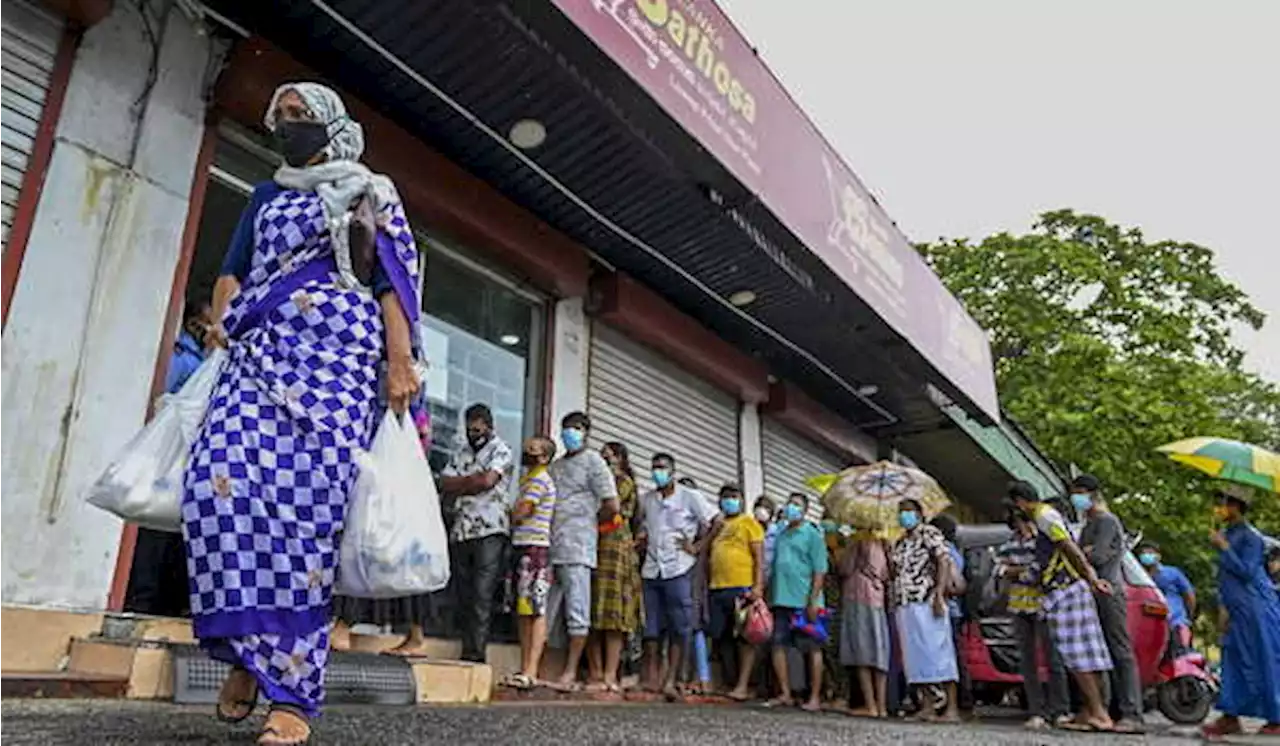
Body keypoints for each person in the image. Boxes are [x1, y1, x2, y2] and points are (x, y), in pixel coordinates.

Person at [190, 82, 422, 745]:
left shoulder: (367, 188)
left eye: (301, 116)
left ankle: (289, 694)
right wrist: (223, 318)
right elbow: (233, 270)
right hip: (257, 357)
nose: (288, 125)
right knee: (218, 490)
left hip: (335, 368)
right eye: (281, 116)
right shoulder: (266, 195)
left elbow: (391, 280)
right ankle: (243, 651)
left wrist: (399, 361)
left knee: (303, 521)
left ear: (331, 123)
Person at [126, 297, 214, 618]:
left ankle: (167, 601)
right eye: (209, 322)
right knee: (155, 528)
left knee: (178, 533)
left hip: (189, 461)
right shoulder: (181, 358)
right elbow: (161, 401)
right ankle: (142, 601)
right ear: (194, 324)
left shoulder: (205, 361)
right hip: (167, 459)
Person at [1007, 480, 1116, 733]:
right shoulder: (1046, 516)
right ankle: (1091, 710)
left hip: (1066, 590)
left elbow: (1069, 548)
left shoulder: (1044, 516)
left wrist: (1091, 578)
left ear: (1020, 502)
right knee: (1087, 653)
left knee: (1078, 655)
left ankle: (1099, 713)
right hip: (1069, 588)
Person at [430, 403, 514, 663]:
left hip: (490, 530)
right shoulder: (461, 452)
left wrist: (464, 484)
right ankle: (464, 646)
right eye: (469, 429)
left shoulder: (501, 450)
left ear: (488, 427)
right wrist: (472, 482)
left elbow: (487, 481)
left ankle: (475, 655)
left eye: (477, 428)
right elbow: (444, 482)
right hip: (462, 530)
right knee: (463, 595)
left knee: (482, 593)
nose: (472, 433)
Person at [634, 454, 720, 699]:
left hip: (679, 569)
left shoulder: (689, 496)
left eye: (662, 468)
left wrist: (698, 546)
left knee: (679, 626)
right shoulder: (647, 500)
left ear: (672, 471)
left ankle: (671, 680)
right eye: (654, 468)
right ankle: (650, 679)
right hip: (652, 569)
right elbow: (644, 526)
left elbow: (717, 521)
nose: (657, 472)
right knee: (651, 627)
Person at [546, 412, 620, 690]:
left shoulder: (594, 462)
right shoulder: (555, 467)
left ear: (586, 432)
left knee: (577, 612)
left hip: (579, 548)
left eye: (576, 429)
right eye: (566, 428)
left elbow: (612, 506)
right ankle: (546, 668)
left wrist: (588, 521)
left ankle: (570, 672)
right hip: (551, 545)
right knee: (547, 611)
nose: (570, 433)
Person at [1201, 487, 1280, 739]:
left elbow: (1246, 571)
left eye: (1222, 503)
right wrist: (1223, 607)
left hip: (1255, 605)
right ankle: (1230, 715)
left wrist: (1224, 548)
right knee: (1232, 657)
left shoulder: (1251, 537)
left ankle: (1276, 716)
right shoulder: (1227, 533)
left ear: (1236, 507)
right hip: (1234, 606)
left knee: (1262, 658)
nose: (1219, 508)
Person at [1071, 474, 1143, 732]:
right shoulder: (1089, 523)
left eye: (1079, 492)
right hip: (1092, 592)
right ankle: (1101, 710)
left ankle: (1132, 714)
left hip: (1110, 591)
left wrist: (1085, 553)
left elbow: (1097, 556)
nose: (1076, 498)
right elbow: (1082, 555)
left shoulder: (1107, 521)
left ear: (1092, 493)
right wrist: (1085, 553)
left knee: (1120, 651)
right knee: (1097, 653)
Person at [996, 510, 1069, 730]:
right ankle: (1036, 711)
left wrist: (1016, 571)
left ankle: (1060, 710)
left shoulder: (1043, 542)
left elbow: (1040, 571)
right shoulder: (1009, 543)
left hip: (1045, 605)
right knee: (1027, 661)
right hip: (1018, 605)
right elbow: (999, 570)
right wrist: (1022, 572)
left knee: (1053, 658)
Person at [889, 500, 960, 723]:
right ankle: (927, 705)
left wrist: (939, 593)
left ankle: (952, 708)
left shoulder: (929, 533)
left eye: (908, 511)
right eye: (901, 512)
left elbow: (944, 561)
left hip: (927, 599)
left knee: (939, 652)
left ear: (919, 514)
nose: (904, 516)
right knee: (916, 657)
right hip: (905, 602)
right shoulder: (900, 542)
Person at [585, 441, 643, 693]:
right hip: (592, 545)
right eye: (602, 457)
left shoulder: (623, 482)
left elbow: (610, 509)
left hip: (616, 550)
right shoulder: (593, 481)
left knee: (613, 616)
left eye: (609, 457)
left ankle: (610, 674)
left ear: (620, 458)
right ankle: (596, 672)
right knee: (591, 612)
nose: (605, 461)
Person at [765, 493, 828, 712]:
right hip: (781, 598)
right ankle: (785, 693)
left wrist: (813, 600)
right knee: (778, 645)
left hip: (804, 601)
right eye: (789, 503)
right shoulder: (782, 534)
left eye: (797, 505)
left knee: (812, 648)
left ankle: (814, 697)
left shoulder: (812, 535)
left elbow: (820, 570)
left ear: (805, 510)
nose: (791, 508)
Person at [504, 436, 558, 690]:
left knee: (534, 610)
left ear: (545, 457)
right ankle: (525, 667)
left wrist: (508, 513)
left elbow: (522, 511)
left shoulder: (538, 480)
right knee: (524, 611)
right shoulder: (528, 480)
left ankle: (531, 669)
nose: (527, 453)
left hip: (534, 548)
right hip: (524, 546)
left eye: (533, 451)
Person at [705, 484, 765, 702]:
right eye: (725, 497)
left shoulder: (749, 523)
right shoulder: (718, 525)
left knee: (744, 637)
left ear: (741, 499)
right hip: (717, 587)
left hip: (742, 587)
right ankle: (725, 682)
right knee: (720, 637)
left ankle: (743, 685)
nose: (729, 500)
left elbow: (759, 557)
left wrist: (758, 586)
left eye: (733, 497)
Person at [837, 523, 891, 717]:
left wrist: (852, 548)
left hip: (858, 599)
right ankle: (880, 706)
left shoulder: (864, 545)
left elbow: (844, 569)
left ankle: (872, 705)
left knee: (862, 653)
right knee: (878, 652)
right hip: (876, 601)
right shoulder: (883, 545)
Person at [929, 513, 973, 718]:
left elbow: (954, 583)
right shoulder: (955, 551)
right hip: (953, 609)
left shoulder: (944, 551)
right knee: (954, 655)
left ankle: (958, 702)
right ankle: (961, 701)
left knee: (949, 657)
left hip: (947, 609)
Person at [1138, 543, 1196, 653]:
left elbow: (1189, 595)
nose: (1146, 556)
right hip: (1151, 627)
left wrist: (1188, 618)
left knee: (1180, 657)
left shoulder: (1173, 573)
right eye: (1143, 553)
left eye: (1150, 553)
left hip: (1176, 623)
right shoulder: (1139, 577)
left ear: (1158, 556)